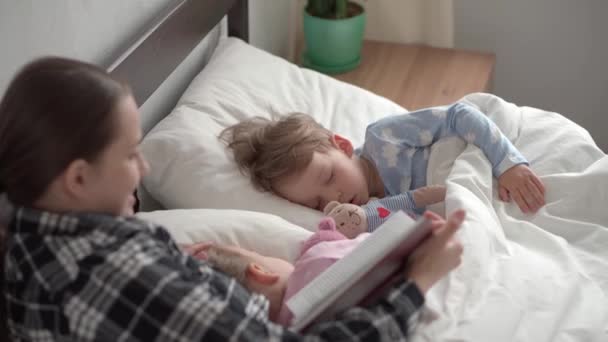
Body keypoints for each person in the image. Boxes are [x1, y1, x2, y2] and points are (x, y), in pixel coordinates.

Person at [0, 56, 464, 341]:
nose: (142, 170)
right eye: (129, 155)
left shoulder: (29, 232)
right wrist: (414, 286)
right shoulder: (114, 279)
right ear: (77, 178)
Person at [220, 107, 546, 229]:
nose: (335, 197)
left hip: (486, 160)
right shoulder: (371, 216)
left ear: (343, 146)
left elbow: (459, 115)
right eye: (317, 204)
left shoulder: (383, 140)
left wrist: (508, 164)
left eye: (329, 176)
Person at [194, 211, 456, 327]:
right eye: (262, 255)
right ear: (261, 271)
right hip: (418, 279)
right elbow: (362, 245)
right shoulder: (312, 262)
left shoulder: (289, 330)